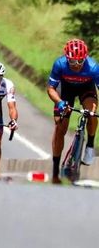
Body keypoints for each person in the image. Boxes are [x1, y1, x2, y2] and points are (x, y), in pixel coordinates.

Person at [47, 38, 99, 183]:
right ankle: (55, 170)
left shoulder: (94, 67)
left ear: (85, 58)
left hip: (86, 88)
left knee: (92, 112)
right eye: (72, 62)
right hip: (65, 91)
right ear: (66, 58)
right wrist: (59, 102)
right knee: (60, 128)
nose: (76, 65)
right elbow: (50, 88)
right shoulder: (59, 64)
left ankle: (89, 145)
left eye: (80, 62)